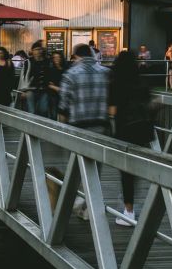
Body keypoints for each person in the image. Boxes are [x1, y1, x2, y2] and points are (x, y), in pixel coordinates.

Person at [58, 43, 110, 220]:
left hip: (77, 126)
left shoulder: (71, 74)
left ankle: (78, 204)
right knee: (95, 170)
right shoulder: (106, 72)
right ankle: (90, 208)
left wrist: (61, 128)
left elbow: (63, 105)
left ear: (75, 56)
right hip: (100, 126)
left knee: (75, 169)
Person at [108, 50, 155, 226]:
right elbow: (150, 104)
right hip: (142, 130)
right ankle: (136, 206)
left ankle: (129, 211)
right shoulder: (142, 81)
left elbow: (112, 110)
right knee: (136, 169)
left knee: (126, 172)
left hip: (124, 130)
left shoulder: (116, 83)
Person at [44, 51, 67, 120]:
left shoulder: (65, 69)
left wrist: (54, 86)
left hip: (64, 94)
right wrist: (55, 87)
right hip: (53, 94)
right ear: (52, 59)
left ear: (61, 58)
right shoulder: (50, 69)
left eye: (58, 57)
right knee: (53, 114)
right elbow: (47, 83)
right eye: (54, 58)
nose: (56, 59)